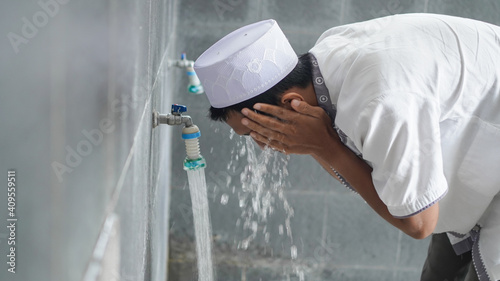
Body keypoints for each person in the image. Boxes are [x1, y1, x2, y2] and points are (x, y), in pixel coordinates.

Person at [193, 14, 500, 281]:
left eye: (255, 132)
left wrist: (325, 147)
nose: (262, 145)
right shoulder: (327, 55)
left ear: (289, 104)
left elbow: (419, 223)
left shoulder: (380, 103)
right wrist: (316, 144)